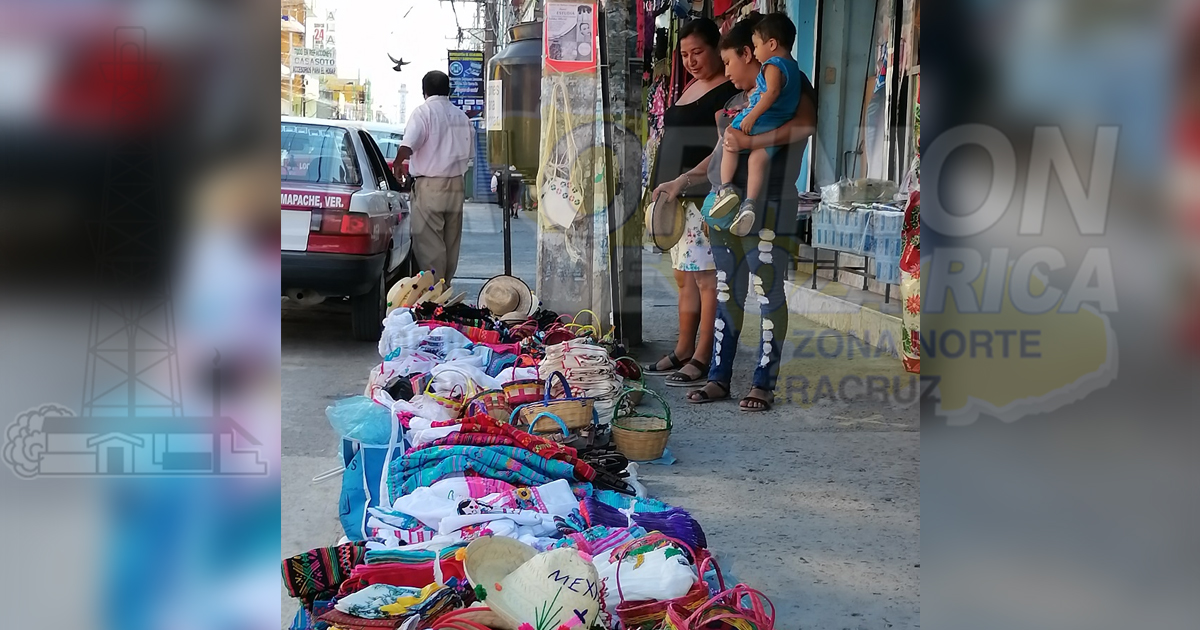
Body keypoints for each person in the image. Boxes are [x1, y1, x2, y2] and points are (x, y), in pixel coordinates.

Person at [668, 12, 815, 411]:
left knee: (768, 294)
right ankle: (719, 377)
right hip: (723, 211)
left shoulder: (790, 80)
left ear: (753, 52)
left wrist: (753, 142)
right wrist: (681, 182)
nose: (727, 70)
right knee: (728, 293)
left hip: (771, 204)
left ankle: (763, 383)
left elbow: (805, 128)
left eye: (731, 61)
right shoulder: (738, 100)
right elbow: (719, 153)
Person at [643, 18, 741, 387]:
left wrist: (685, 179)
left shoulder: (730, 92)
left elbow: (722, 149)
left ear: (719, 49)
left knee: (706, 281)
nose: (690, 61)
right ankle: (683, 347)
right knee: (684, 279)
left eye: (697, 52)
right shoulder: (690, 86)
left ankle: (703, 355)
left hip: (703, 196)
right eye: (684, 54)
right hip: (676, 200)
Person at [708, 13, 803, 238]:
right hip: (775, 124)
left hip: (763, 120)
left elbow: (771, 93)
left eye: (757, 45)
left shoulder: (773, 65)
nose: (757, 51)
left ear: (771, 44)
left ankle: (726, 189)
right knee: (757, 158)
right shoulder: (794, 68)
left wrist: (750, 118)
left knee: (731, 137)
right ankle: (748, 205)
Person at [396, 71, 475, 284]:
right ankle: (445, 285)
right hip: (456, 185)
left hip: (430, 185)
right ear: (448, 90)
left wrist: (397, 163)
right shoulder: (462, 117)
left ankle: (434, 291)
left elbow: (408, 144)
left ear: (424, 92)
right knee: (451, 241)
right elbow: (470, 155)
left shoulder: (423, 113)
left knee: (430, 241)